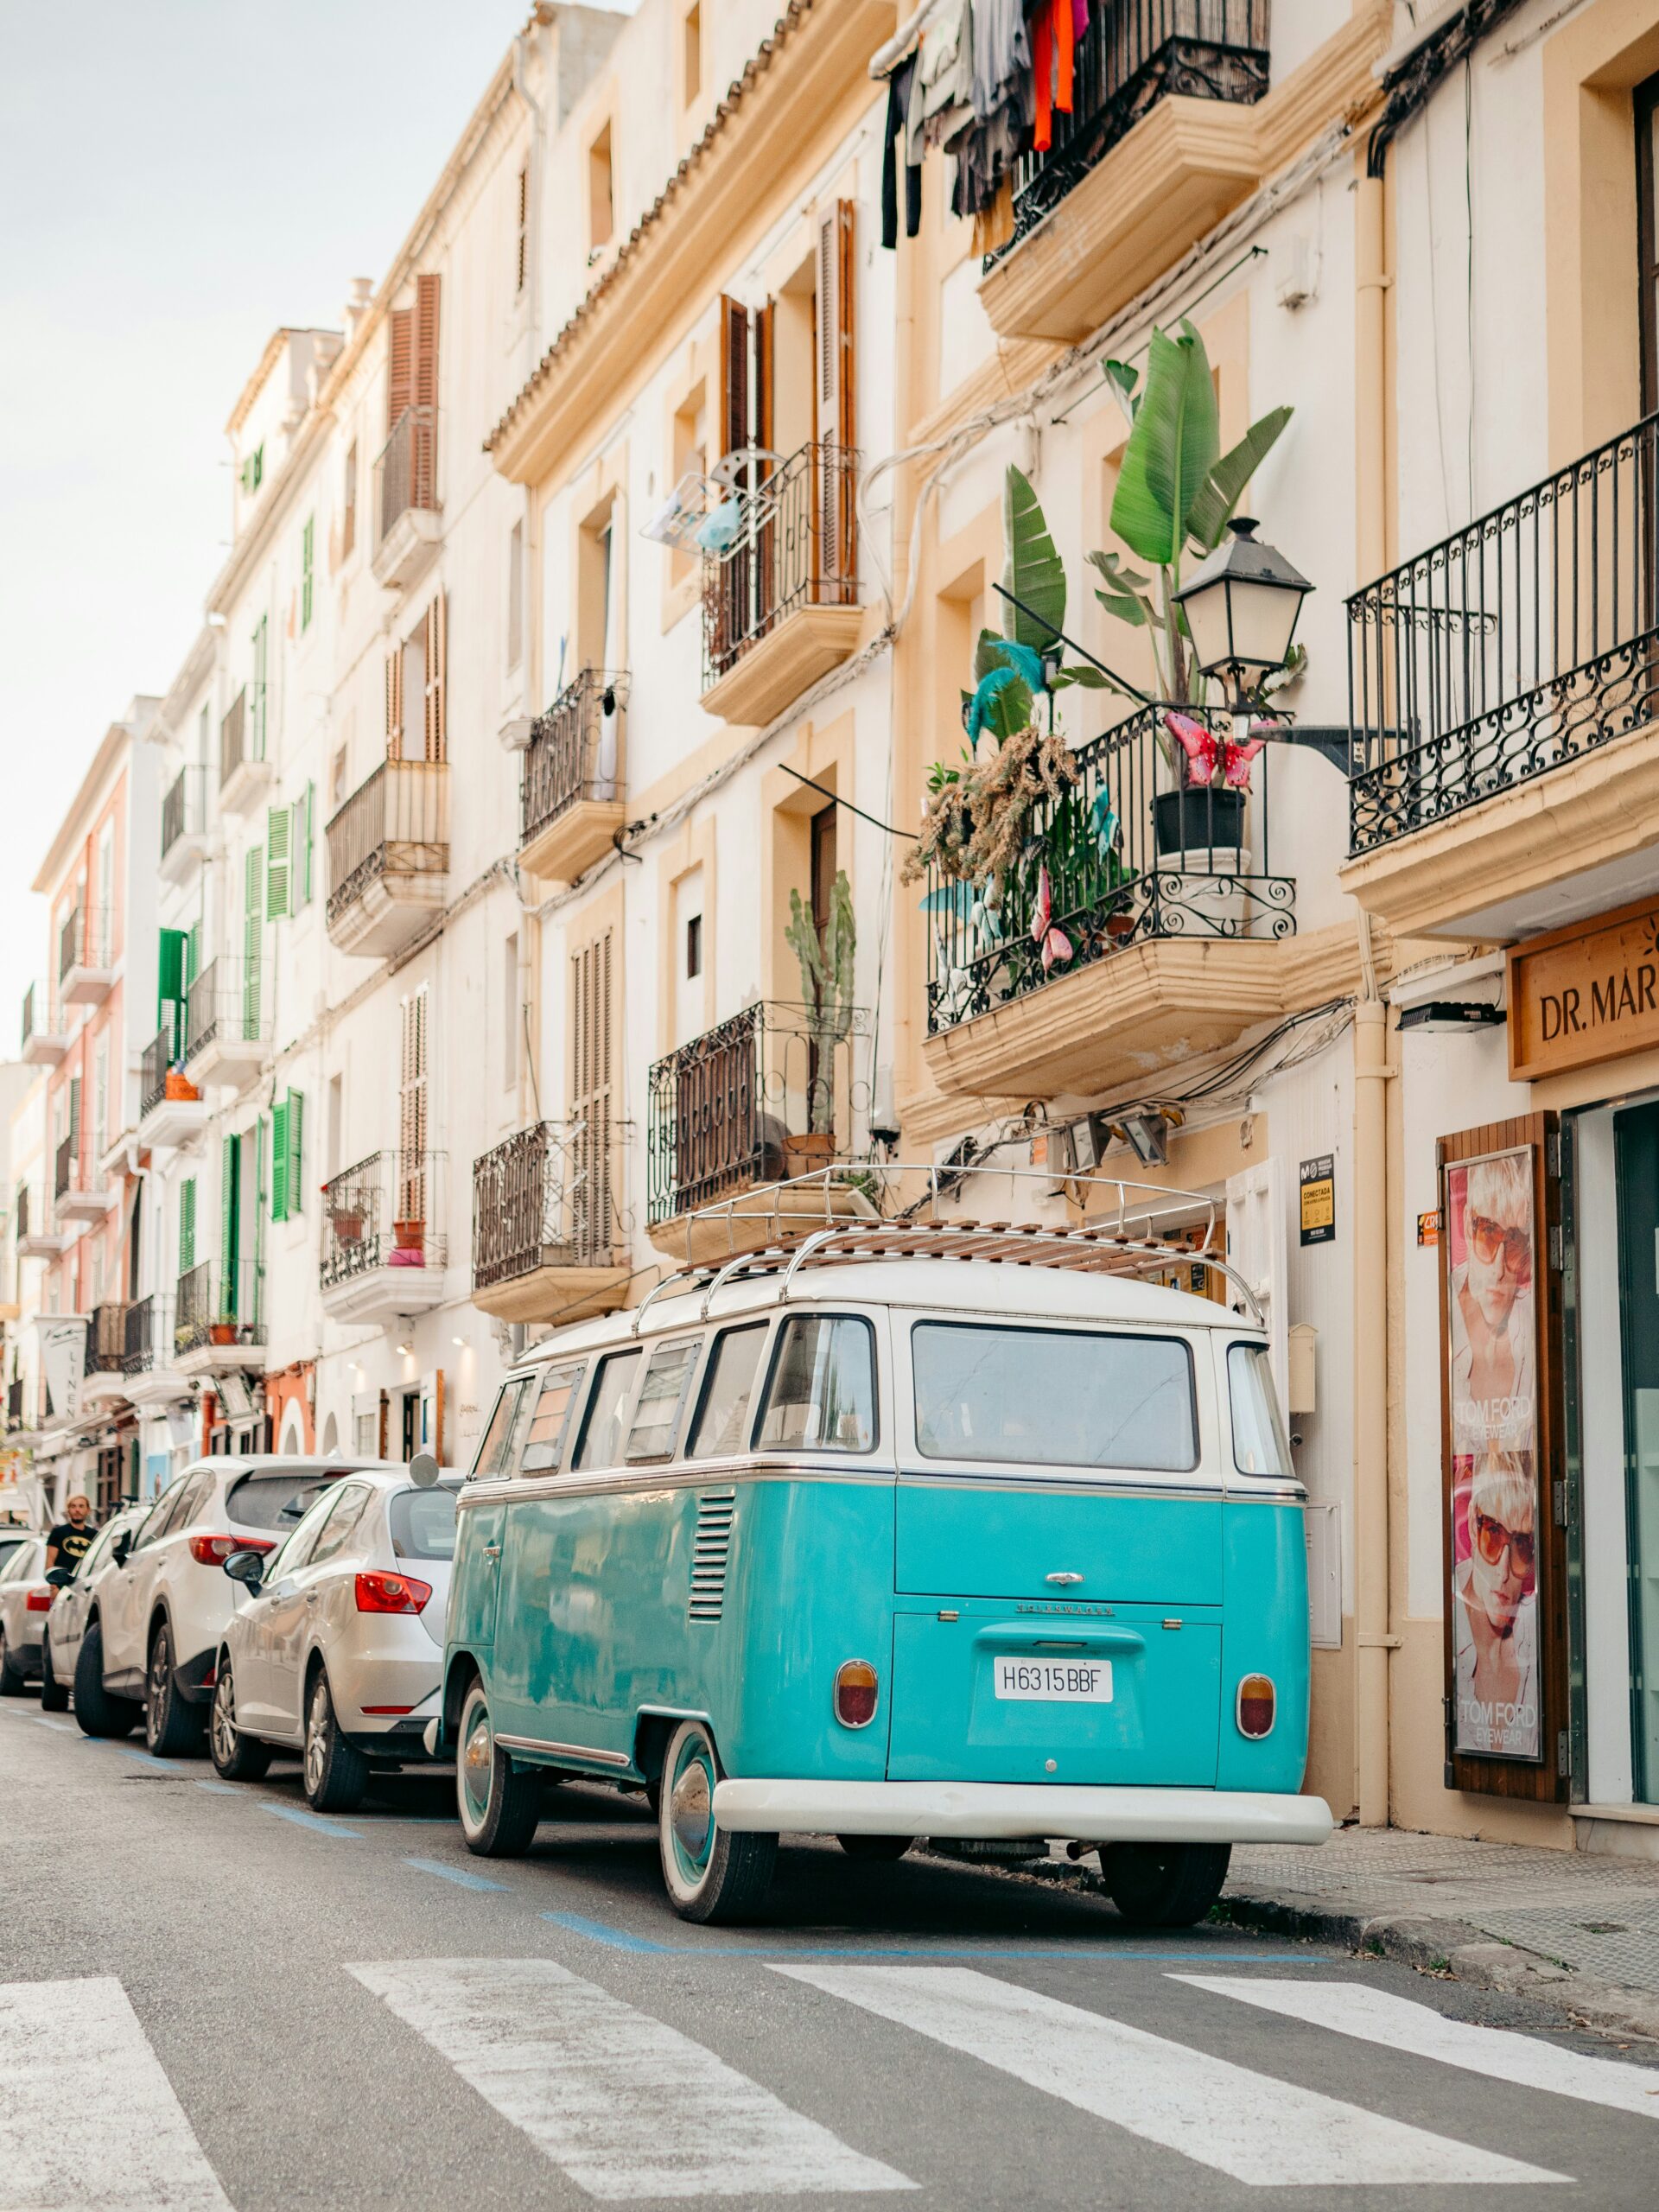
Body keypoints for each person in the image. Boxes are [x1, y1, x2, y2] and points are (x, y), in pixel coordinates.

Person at [1447, 1152, 1535, 1456]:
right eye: (1487, 1233)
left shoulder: (1535, 1323)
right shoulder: (1439, 1318)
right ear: (1466, 1222)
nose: (1499, 1270)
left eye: (1512, 1243)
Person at [1452, 1452, 1539, 1758]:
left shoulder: (1539, 1635)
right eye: (1493, 1534)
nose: (1503, 1573)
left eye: (1522, 1546)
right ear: (1474, 1530)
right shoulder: (1451, 1627)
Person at [44, 1492, 98, 1579]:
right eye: (73, 1506)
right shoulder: (58, 1532)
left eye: (81, 1506)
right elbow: (50, 1563)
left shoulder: (95, 1535)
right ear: (68, 1510)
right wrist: (54, 1585)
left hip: (84, 1584)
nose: (77, 1510)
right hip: (62, 1583)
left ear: (88, 1510)